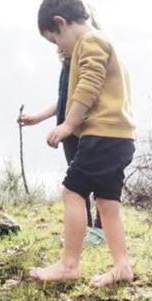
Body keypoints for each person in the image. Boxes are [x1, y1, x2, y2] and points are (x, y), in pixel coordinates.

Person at [28, 0, 136, 287]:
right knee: (107, 203)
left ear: (61, 23)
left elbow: (89, 83)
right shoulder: (102, 41)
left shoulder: (90, 41)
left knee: (72, 192)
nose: (59, 46)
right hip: (119, 138)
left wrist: (69, 124)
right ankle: (122, 266)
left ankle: (69, 265)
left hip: (102, 135)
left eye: (55, 39)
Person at [18, 57, 104, 246]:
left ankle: (100, 232)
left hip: (91, 130)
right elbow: (64, 100)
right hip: (69, 133)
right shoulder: (66, 66)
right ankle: (83, 231)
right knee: (77, 186)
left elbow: (86, 95)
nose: (57, 48)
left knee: (100, 184)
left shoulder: (88, 61)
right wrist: (37, 118)